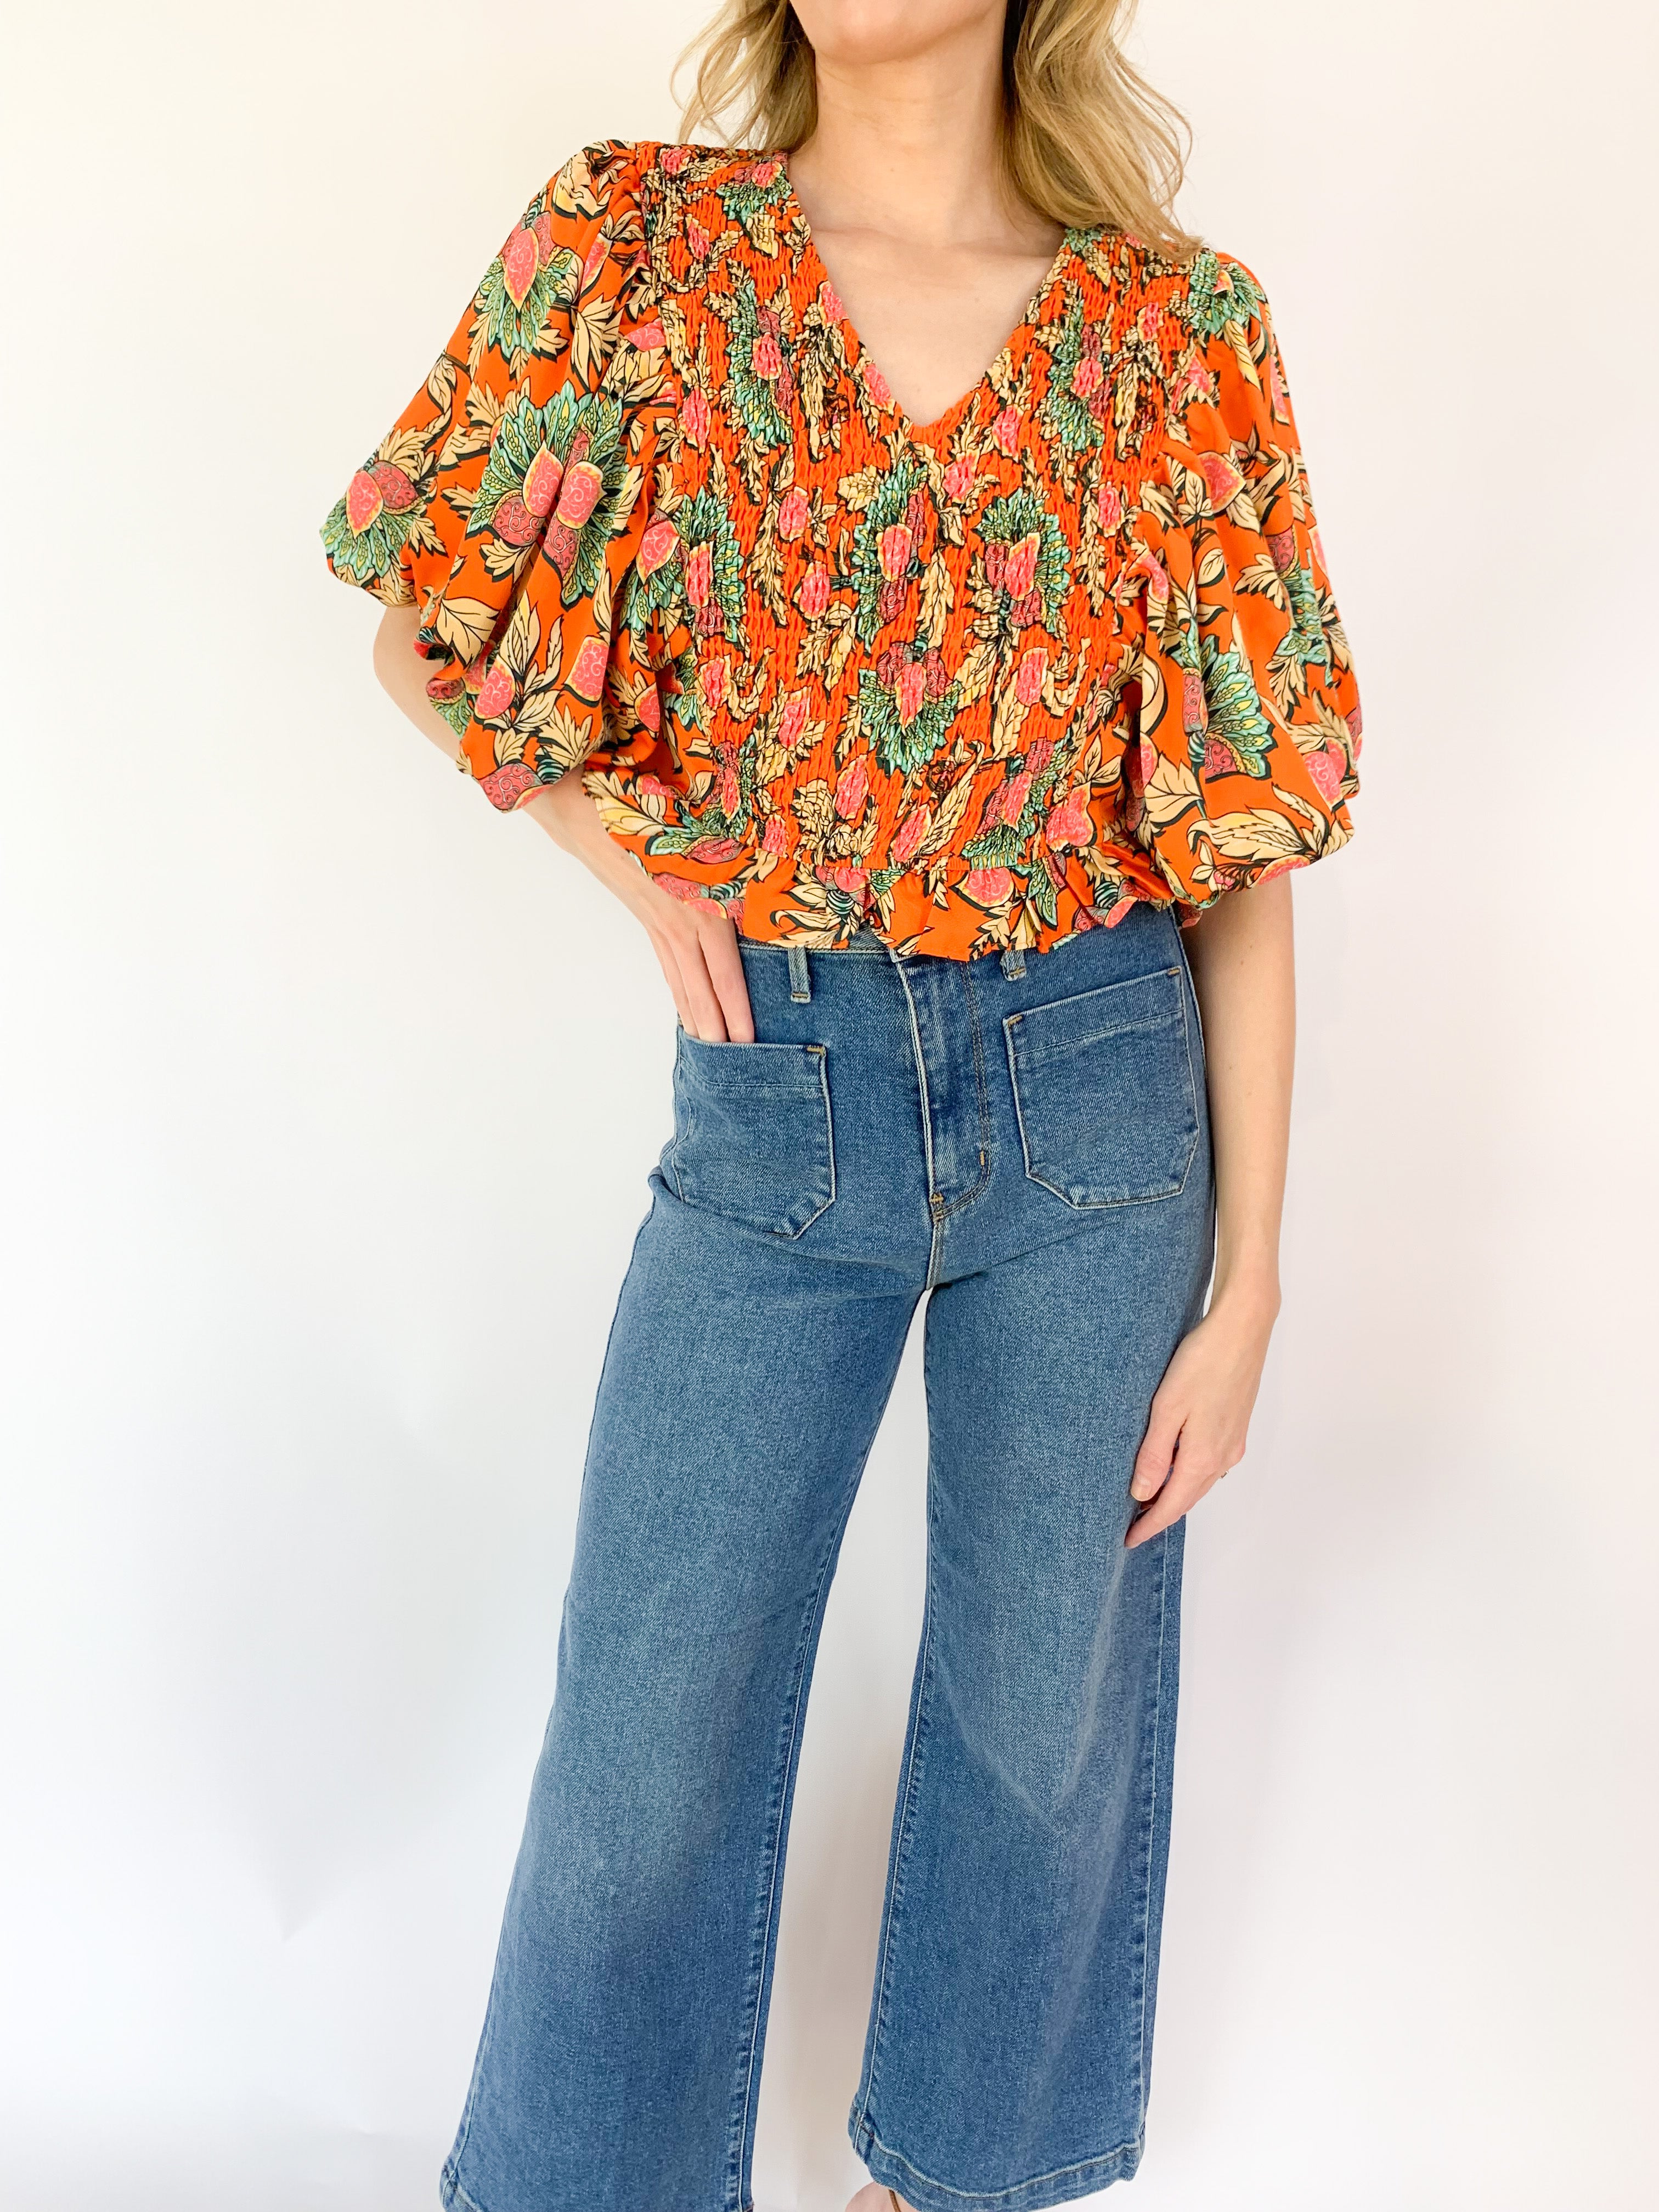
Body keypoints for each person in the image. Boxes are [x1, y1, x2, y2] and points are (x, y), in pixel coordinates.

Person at [319, 1, 1361, 2206]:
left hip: (1101, 1102)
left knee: (1038, 1731)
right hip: (775, 1096)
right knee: (648, 1740)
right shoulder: (635, 247)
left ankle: (951, 2186)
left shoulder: (1176, 333)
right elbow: (429, 623)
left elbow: (1240, 848)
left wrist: (1255, 1281)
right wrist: (635, 858)